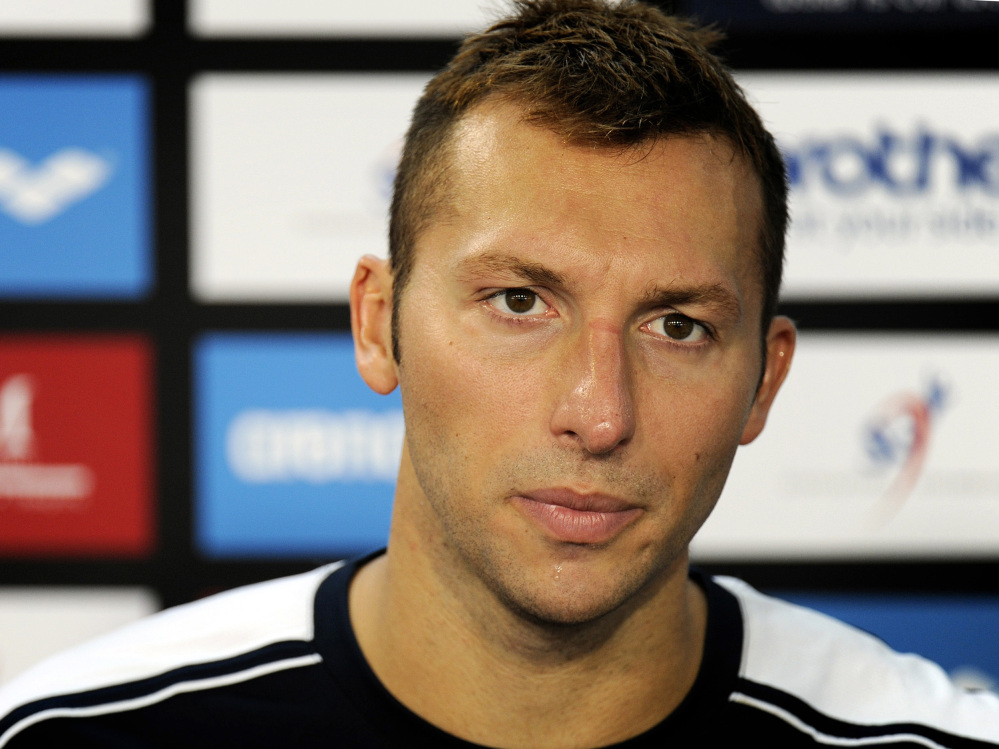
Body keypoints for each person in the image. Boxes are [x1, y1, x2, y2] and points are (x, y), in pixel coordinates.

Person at [1, 1, 997, 746]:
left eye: (678, 323)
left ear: (765, 380)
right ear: (379, 322)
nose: (598, 413)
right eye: (521, 302)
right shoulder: (77, 737)